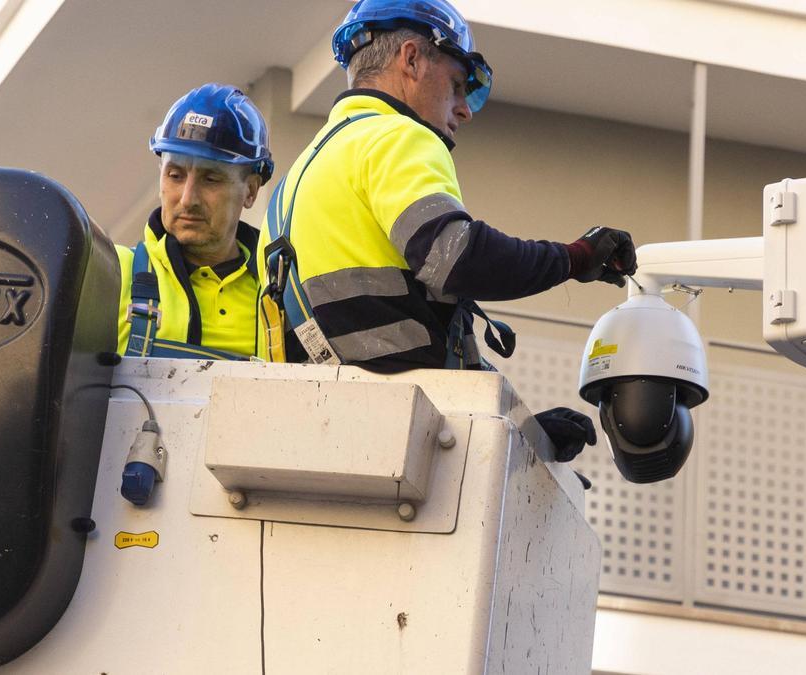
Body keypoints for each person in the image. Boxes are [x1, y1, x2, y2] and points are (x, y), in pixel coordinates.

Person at [255, 0, 637, 461]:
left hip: (310, 440)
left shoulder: (293, 184)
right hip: (393, 445)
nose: (464, 110)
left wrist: (525, 428)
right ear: (412, 59)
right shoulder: (398, 136)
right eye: (458, 84)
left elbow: (386, 331)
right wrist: (575, 257)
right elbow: (459, 260)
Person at [117, 83, 273, 360]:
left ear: (250, 191)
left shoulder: (279, 299)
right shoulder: (113, 275)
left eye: (211, 179)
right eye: (175, 176)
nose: (188, 199)